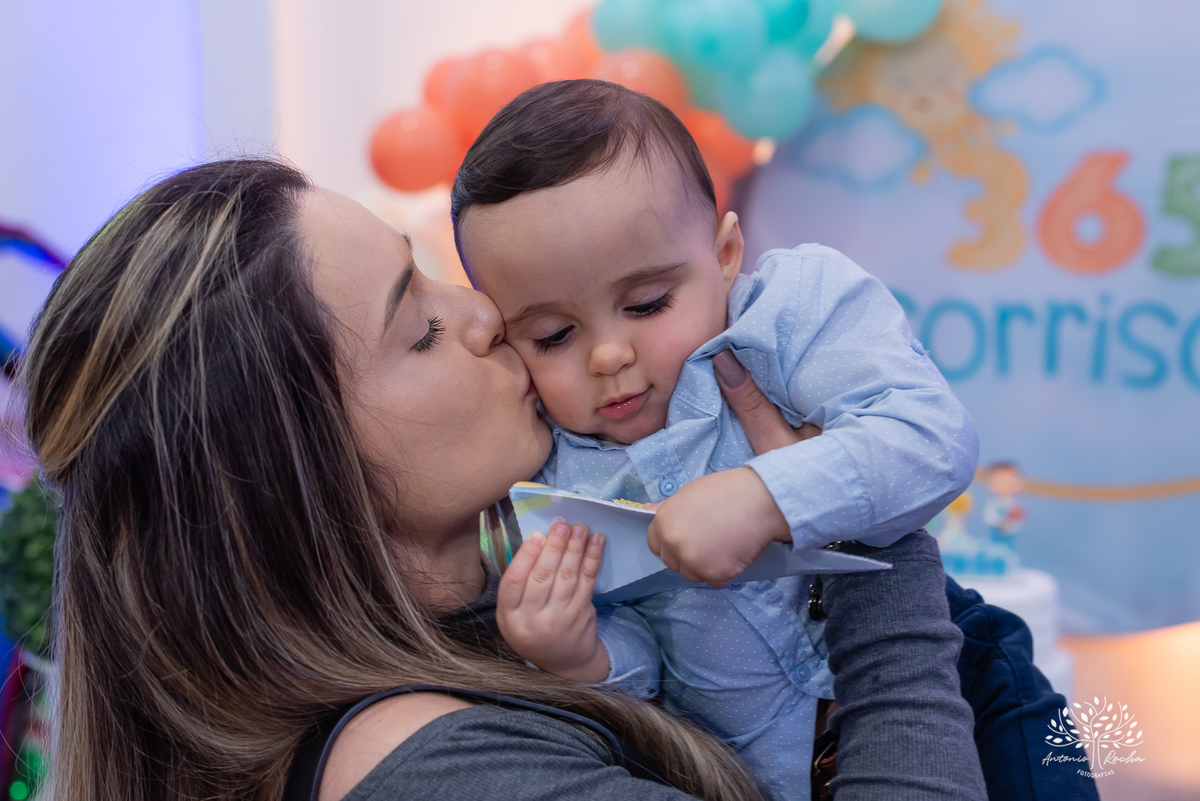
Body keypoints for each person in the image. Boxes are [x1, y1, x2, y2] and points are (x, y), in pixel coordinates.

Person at [22, 159, 987, 801]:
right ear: (304, 479)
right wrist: (863, 528)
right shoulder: (450, 776)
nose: (485, 314)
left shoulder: (507, 613)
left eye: (436, 276)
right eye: (423, 327)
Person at [451, 80, 978, 801]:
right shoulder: (558, 468)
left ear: (726, 253)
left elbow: (931, 438)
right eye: (553, 335)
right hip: (760, 775)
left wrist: (767, 495)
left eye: (647, 304)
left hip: (960, 697)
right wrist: (584, 655)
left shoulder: (792, 315)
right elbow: (653, 665)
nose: (608, 355)